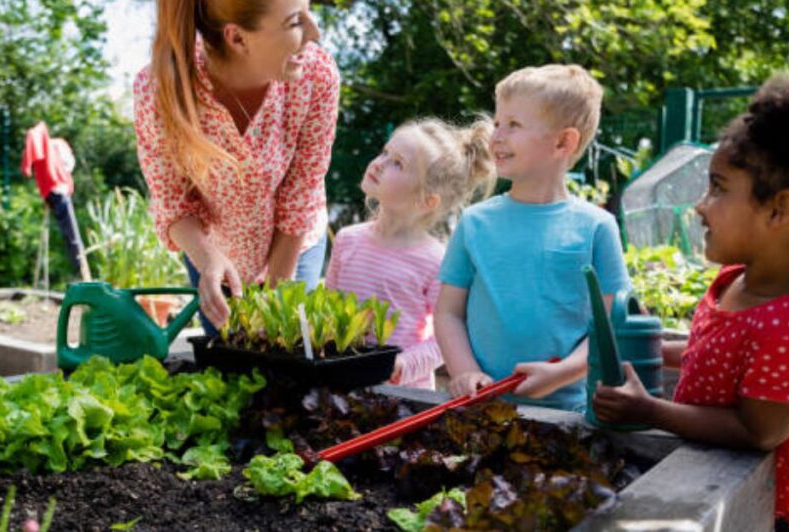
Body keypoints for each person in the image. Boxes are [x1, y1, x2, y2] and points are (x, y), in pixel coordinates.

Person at [593, 77, 789, 531]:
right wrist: (655, 353)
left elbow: (758, 431)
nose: (699, 206)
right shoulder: (737, 278)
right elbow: (710, 352)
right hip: (705, 485)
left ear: (779, 210)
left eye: (717, 188)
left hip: (756, 509)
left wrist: (649, 410)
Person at [134, 0, 340, 335]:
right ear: (237, 38)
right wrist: (210, 261)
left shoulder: (315, 75)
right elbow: (172, 201)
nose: (314, 33)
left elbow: (301, 195)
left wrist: (273, 303)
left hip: (293, 245)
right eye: (294, 23)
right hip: (213, 251)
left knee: (283, 353)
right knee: (230, 365)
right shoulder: (160, 90)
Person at [435, 65, 630, 410]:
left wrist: (565, 372)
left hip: (570, 414)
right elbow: (448, 313)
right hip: (480, 407)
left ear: (562, 142)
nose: (496, 135)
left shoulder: (598, 227)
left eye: (514, 125)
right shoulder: (475, 222)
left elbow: (611, 327)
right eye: (497, 123)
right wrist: (464, 372)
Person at [325, 117, 496, 389]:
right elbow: (327, 308)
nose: (379, 163)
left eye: (398, 163)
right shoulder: (347, 240)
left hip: (401, 396)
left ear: (427, 200)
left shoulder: (436, 261)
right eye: (384, 152)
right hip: (342, 385)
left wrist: (403, 365)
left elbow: (445, 338)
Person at [20, 121, 90, 280]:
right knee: (72, 236)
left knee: (71, 236)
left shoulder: (49, 146)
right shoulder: (51, 143)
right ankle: (83, 273)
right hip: (58, 191)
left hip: (52, 192)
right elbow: (36, 134)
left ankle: (82, 272)